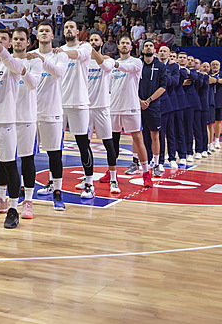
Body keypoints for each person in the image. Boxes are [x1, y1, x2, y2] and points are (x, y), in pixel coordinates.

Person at [0, 29, 25, 228]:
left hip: (5, 122)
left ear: (9, 45)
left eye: (3, 39)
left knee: (9, 165)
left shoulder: (13, 64)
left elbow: (13, 63)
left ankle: (13, 208)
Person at [5, 27, 43, 218]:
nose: (18, 42)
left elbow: (33, 84)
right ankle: (2, 199)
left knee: (27, 159)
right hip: (6, 117)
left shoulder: (35, 61)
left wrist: (22, 68)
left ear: (28, 42)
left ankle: (28, 200)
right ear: (10, 42)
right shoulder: (4, 61)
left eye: (22, 39)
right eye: (15, 39)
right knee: (5, 161)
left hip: (26, 117)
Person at [33, 22, 68, 210]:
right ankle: (25, 190)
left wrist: (41, 59)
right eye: (41, 31)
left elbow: (58, 72)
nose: (44, 33)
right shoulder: (29, 55)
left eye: (47, 31)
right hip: (30, 113)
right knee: (27, 155)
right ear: (37, 35)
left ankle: (57, 191)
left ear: (52, 35)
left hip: (52, 112)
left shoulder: (59, 55)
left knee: (55, 154)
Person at [110, 36, 153, 189]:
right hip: (113, 107)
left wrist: (111, 63)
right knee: (112, 141)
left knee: (138, 139)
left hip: (131, 106)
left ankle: (146, 172)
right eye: (122, 42)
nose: (125, 45)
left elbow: (125, 68)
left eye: (128, 43)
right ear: (118, 45)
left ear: (131, 47)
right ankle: (111, 171)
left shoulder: (136, 62)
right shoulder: (112, 65)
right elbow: (109, 87)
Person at [59, 21, 95, 198]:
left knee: (83, 143)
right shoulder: (59, 49)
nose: (68, 29)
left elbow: (77, 55)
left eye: (72, 27)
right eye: (66, 27)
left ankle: (89, 182)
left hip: (79, 102)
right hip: (58, 103)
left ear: (78, 31)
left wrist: (58, 53)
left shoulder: (85, 47)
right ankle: (54, 180)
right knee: (55, 146)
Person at [87, 32, 120, 193]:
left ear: (102, 42)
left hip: (102, 107)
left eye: (96, 40)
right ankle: (88, 180)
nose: (93, 42)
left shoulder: (108, 60)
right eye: (91, 40)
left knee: (109, 144)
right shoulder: (83, 62)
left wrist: (89, 49)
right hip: (85, 108)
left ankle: (114, 178)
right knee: (84, 145)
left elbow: (103, 63)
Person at [139, 41, 167, 177]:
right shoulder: (137, 64)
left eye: (151, 46)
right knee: (137, 135)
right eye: (146, 46)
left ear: (154, 50)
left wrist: (148, 100)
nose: (148, 48)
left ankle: (156, 164)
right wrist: (139, 101)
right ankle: (136, 162)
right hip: (137, 105)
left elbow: (163, 86)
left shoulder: (160, 66)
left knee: (154, 135)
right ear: (143, 49)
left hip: (153, 105)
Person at [158, 46, 179, 169]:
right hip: (157, 101)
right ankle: (159, 160)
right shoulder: (154, 65)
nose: (162, 53)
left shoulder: (174, 66)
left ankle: (172, 158)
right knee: (159, 134)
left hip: (170, 102)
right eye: (160, 51)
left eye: (165, 51)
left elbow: (175, 82)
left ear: (169, 53)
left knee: (171, 132)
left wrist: (163, 71)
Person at [210, 60, 222, 150]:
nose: (215, 66)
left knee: (218, 121)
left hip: (219, 100)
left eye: (217, 65)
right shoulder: (208, 73)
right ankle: (209, 141)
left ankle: (217, 140)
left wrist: (214, 79)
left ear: (219, 66)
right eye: (213, 65)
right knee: (209, 122)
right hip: (209, 100)